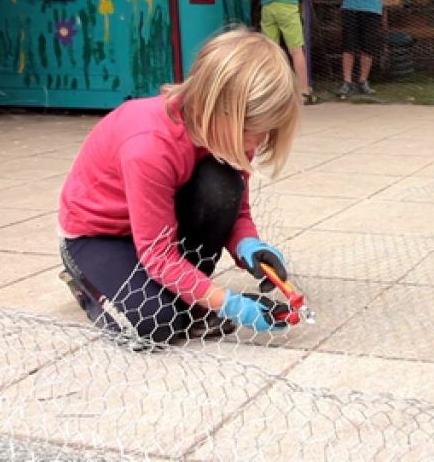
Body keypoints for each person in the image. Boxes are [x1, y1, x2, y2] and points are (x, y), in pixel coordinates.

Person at [58, 29, 301, 344]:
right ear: (216, 108)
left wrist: (248, 246)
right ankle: (85, 280)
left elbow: (235, 210)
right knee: (153, 324)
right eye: (252, 130)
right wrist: (227, 303)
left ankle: (183, 299)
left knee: (220, 185)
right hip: (100, 235)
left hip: (157, 227)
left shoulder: (232, 133)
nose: (257, 141)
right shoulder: (149, 146)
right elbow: (158, 253)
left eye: (266, 130)